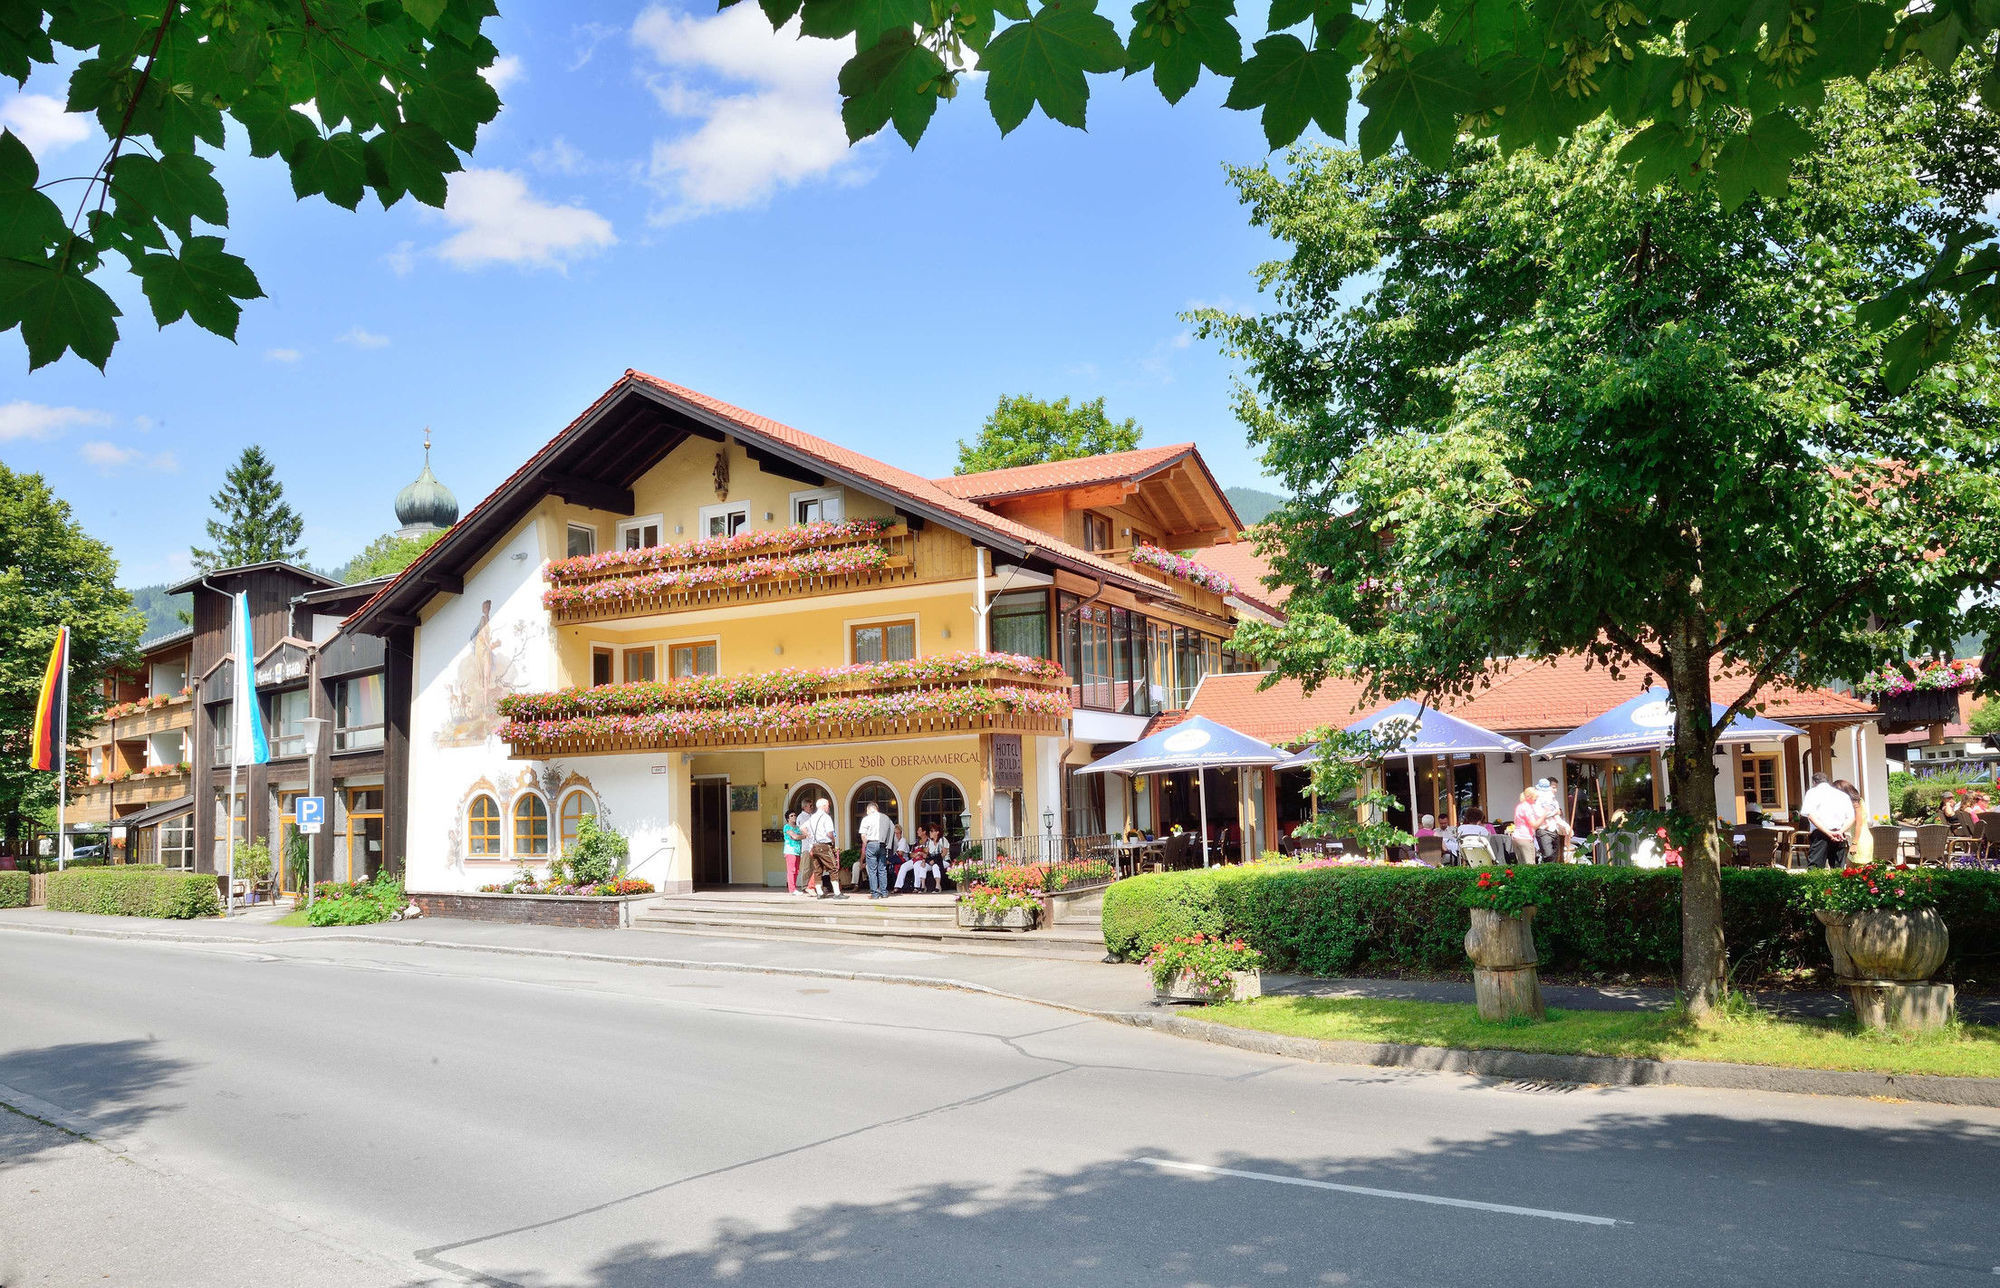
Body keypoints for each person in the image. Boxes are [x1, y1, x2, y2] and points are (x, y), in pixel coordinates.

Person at [1800, 772, 1855, 869]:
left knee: (1815, 868)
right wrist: (1840, 831)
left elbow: (1810, 816)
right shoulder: (1842, 794)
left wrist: (1828, 832)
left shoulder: (1812, 792)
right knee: (1838, 868)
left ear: (1814, 782)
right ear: (1828, 781)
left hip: (1820, 833)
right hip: (1839, 834)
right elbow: (1851, 817)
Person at [801, 797, 842, 899]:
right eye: (828, 806)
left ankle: (819, 892)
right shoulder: (826, 817)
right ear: (823, 806)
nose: (828, 808)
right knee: (833, 868)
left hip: (814, 846)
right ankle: (837, 893)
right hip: (824, 845)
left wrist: (808, 835)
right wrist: (833, 840)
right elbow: (829, 832)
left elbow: (802, 827)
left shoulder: (812, 817)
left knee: (817, 870)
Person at [858, 801, 894, 900]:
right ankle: (884, 892)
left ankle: (874, 893)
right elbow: (891, 830)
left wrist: (867, 845)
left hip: (871, 843)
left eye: (867, 811)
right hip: (882, 844)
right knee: (882, 869)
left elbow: (863, 835)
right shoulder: (885, 818)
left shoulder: (866, 819)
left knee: (872, 870)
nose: (867, 812)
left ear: (870, 809)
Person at [1509, 787, 1541, 864]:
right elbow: (1534, 825)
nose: (1535, 801)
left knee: (1521, 864)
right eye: (1535, 799)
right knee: (1530, 865)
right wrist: (1544, 815)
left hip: (1516, 837)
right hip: (1525, 837)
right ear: (1529, 797)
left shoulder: (1520, 806)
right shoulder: (1527, 807)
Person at [781, 809, 805, 896]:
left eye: (794, 815)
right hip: (790, 850)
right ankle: (792, 889)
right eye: (791, 816)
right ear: (788, 818)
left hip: (797, 851)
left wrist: (801, 836)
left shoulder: (797, 827)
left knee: (796, 870)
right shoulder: (787, 827)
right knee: (791, 870)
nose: (794, 817)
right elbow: (795, 837)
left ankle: (794, 887)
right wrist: (801, 836)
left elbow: (803, 835)